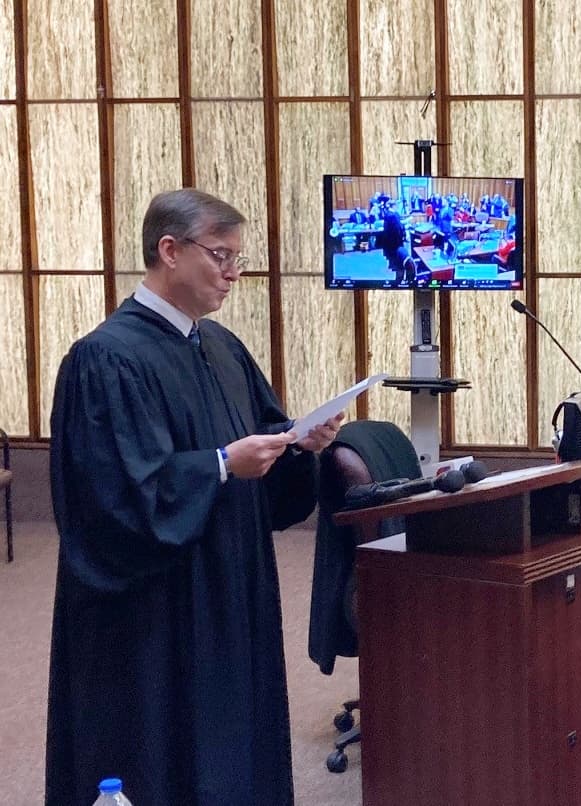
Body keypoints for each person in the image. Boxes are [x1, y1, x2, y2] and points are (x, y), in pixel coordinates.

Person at [45, 188, 343, 806]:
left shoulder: (223, 349)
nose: (234, 273)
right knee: (164, 756)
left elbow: (267, 454)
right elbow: (114, 503)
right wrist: (219, 466)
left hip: (231, 589)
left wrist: (300, 445)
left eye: (239, 258)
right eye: (221, 255)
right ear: (169, 250)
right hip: (155, 614)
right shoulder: (105, 360)